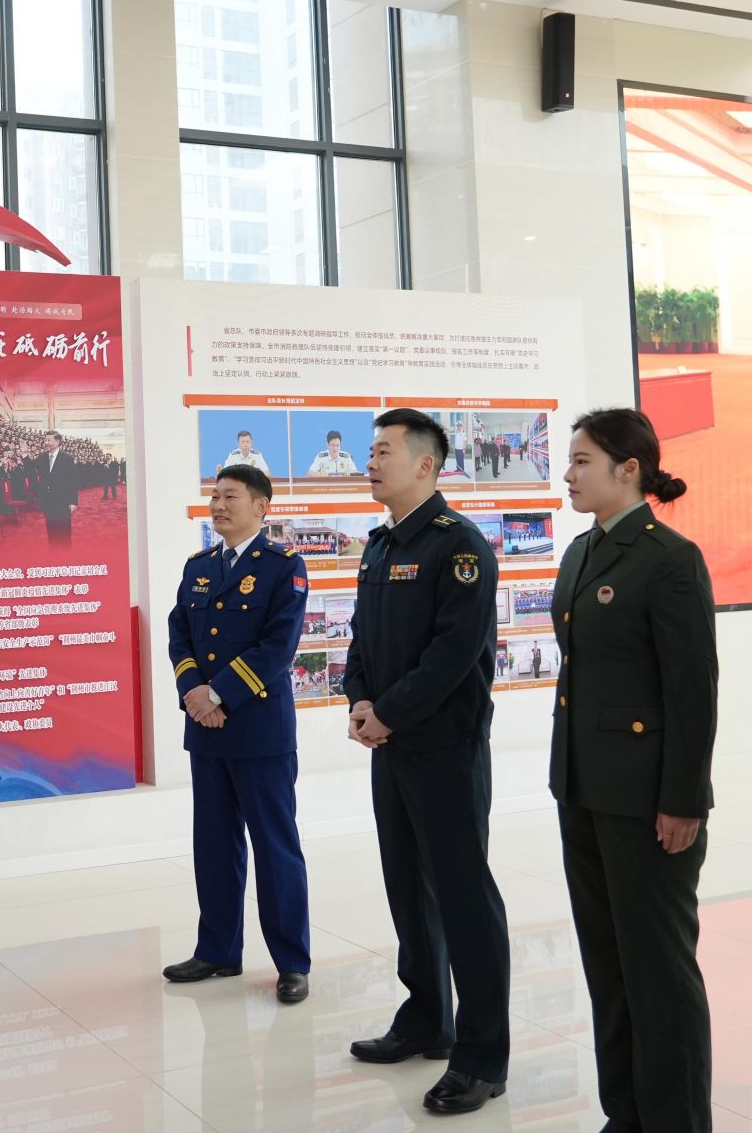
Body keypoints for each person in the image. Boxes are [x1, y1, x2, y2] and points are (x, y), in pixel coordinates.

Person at [550, 408, 717, 1133]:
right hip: (584, 788)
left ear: (629, 469)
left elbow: (693, 692)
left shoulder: (668, 558)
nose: (568, 474)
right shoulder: (581, 551)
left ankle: (676, 1121)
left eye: (582, 461)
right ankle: (626, 1115)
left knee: (658, 974)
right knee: (609, 967)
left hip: (647, 800)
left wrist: (684, 800)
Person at [344, 408, 510, 1116]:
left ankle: (482, 1056)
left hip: (444, 747)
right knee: (408, 888)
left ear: (424, 464)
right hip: (391, 744)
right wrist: (360, 699)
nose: (371, 462)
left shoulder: (458, 546)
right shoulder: (380, 546)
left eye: (384, 451)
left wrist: (388, 712)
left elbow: (454, 653)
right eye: (370, 451)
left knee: (464, 899)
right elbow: (361, 639)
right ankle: (426, 1020)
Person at [163, 464, 314, 1002]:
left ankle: (292, 962)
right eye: (214, 497)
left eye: (230, 497)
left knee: (275, 848)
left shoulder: (283, 567)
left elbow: (278, 647)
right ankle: (218, 951)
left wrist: (218, 694)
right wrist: (193, 693)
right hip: (206, 730)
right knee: (213, 844)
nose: (219, 506)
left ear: (261, 506)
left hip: (259, 730)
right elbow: (179, 634)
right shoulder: (199, 566)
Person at [35, 429, 78, 548]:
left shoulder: (67, 458)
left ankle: (65, 553)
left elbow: (72, 481)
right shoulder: (42, 457)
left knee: (63, 530)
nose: (46, 443)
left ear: (57, 441)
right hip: (48, 500)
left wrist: (73, 501)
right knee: (51, 528)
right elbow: (31, 468)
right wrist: (24, 455)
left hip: (63, 500)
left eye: (49, 440)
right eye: (45, 440)